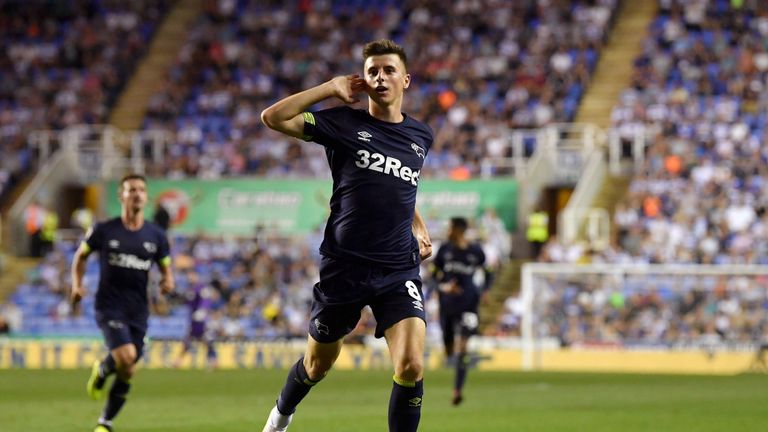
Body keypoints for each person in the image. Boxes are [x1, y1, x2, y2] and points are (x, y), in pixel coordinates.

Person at [259, 39, 433, 432]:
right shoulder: (343, 123)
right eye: (372, 71)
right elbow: (272, 117)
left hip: (397, 269)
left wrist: (418, 226)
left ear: (405, 79)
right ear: (363, 80)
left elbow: (401, 187)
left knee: (411, 365)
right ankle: (280, 415)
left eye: (388, 70)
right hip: (345, 268)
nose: (380, 77)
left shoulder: (421, 136)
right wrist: (327, 89)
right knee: (316, 365)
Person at [70, 174, 174, 432]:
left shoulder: (156, 235)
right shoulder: (104, 230)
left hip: (138, 309)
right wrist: (77, 284)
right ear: (122, 196)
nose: (137, 194)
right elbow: (81, 256)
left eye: (141, 189)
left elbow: (165, 265)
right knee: (126, 356)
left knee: (128, 370)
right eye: (131, 190)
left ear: (146, 197)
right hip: (109, 305)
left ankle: (105, 422)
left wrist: (167, 281)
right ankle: (105, 370)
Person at [432, 217, 490, 406]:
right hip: (448, 305)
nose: (447, 230)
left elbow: (489, 272)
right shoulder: (444, 251)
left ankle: (457, 390)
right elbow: (433, 276)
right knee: (449, 347)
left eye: (449, 227)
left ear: (458, 230)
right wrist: (443, 287)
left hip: (469, 305)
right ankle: (451, 355)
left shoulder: (476, 252)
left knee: (463, 346)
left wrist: (486, 290)